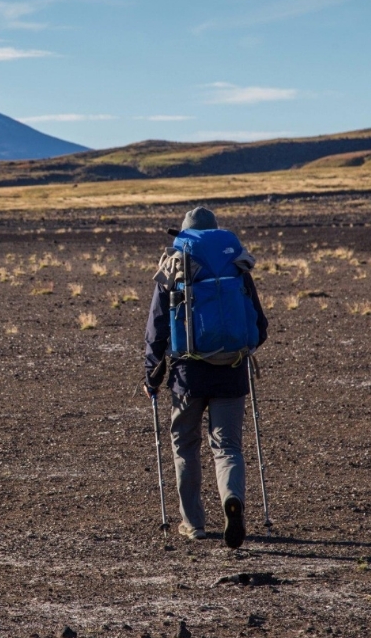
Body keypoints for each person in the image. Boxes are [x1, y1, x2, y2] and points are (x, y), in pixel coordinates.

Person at [144, 206, 268, 548]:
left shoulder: (176, 260)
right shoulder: (234, 261)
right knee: (227, 447)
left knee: (185, 446)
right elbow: (259, 323)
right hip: (231, 370)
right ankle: (233, 498)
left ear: (185, 233)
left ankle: (193, 524)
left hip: (188, 373)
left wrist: (151, 373)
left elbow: (157, 324)